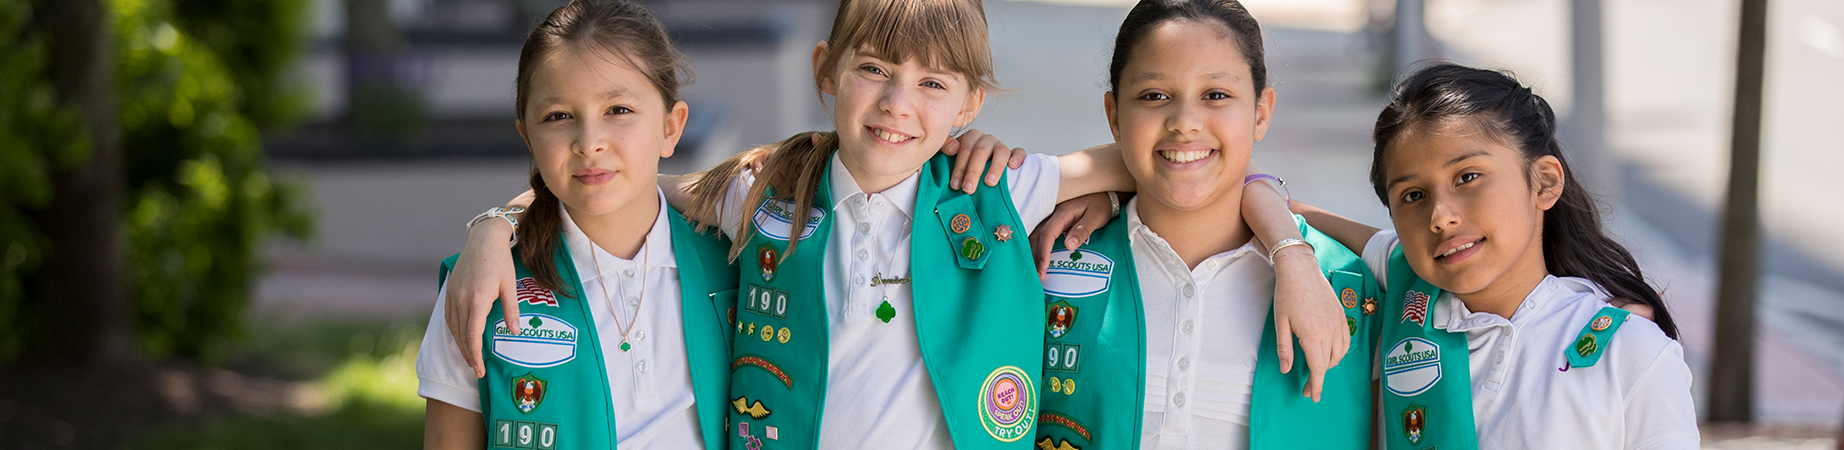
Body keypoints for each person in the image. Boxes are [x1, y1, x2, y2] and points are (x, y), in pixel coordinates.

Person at [444, 0, 1353, 447]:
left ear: (969, 103)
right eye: (874, 69)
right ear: (826, 71)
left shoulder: (995, 188)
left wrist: (1287, 242)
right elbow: (619, 181)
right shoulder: (764, 195)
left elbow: (1188, 160)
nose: (897, 105)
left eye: (933, 84)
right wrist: (499, 220)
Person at [1021, 2, 1377, 448]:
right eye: (1154, 95)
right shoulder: (1048, 259)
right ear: (1114, 116)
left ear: (1262, 112)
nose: (1185, 122)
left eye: (1216, 95)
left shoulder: (1344, 287)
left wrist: (1292, 251)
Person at [1293, 63, 1698, 449]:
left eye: (1467, 177)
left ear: (1544, 182)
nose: (1440, 217)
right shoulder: (1402, 289)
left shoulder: (1628, 351)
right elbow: (1279, 206)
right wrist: (1285, 250)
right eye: (1413, 196)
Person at [414, 1, 738, 448]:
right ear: (527, 136)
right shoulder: (480, 288)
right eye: (558, 117)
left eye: (619, 110)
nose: (589, 143)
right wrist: (494, 226)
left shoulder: (740, 262)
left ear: (671, 126)